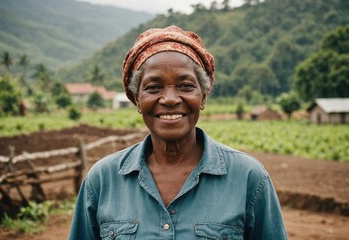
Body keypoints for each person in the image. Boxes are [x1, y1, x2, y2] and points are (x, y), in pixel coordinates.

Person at [68, 25, 288, 239]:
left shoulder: (249, 178)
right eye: (153, 87)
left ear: (203, 96)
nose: (170, 99)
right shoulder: (102, 180)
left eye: (185, 85)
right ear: (137, 99)